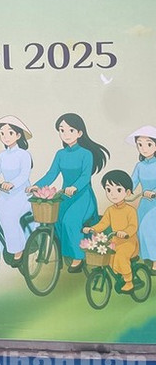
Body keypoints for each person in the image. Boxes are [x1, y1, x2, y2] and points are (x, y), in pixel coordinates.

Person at [28, 113, 109, 273]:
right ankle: (63, 252)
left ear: (79, 133)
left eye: (70, 130)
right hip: (65, 197)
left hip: (83, 197)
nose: (65, 134)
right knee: (54, 220)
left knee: (70, 222)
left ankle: (78, 257)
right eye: (62, 130)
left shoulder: (86, 154)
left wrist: (75, 187)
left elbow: (86, 177)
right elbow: (51, 174)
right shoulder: (60, 154)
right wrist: (36, 186)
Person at [0, 116, 36, 266]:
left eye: (10, 133)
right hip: (6, 195)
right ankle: (0, 247)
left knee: (10, 216)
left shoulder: (24, 155)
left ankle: (18, 250)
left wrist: (12, 183)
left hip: (22, 194)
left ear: (18, 135)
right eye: (2, 133)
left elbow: (24, 175)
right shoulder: (2, 155)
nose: (5, 137)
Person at [82, 170, 139, 291]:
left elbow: (133, 226)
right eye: (108, 190)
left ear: (127, 192)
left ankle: (129, 281)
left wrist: (125, 233)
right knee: (107, 257)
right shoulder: (110, 210)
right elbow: (103, 223)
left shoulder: (130, 210)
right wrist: (92, 229)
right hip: (114, 241)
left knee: (120, 257)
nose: (113, 194)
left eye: (118, 190)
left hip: (128, 243)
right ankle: (120, 275)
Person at [127, 126, 156, 274]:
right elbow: (132, 182)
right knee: (138, 228)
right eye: (140, 144)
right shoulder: (139, 166)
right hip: (144, 203)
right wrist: (125, 192)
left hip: (154, 204)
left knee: (149, 228)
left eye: (148, 144)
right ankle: (146, 257)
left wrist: (153, 192)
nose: (144, 148)